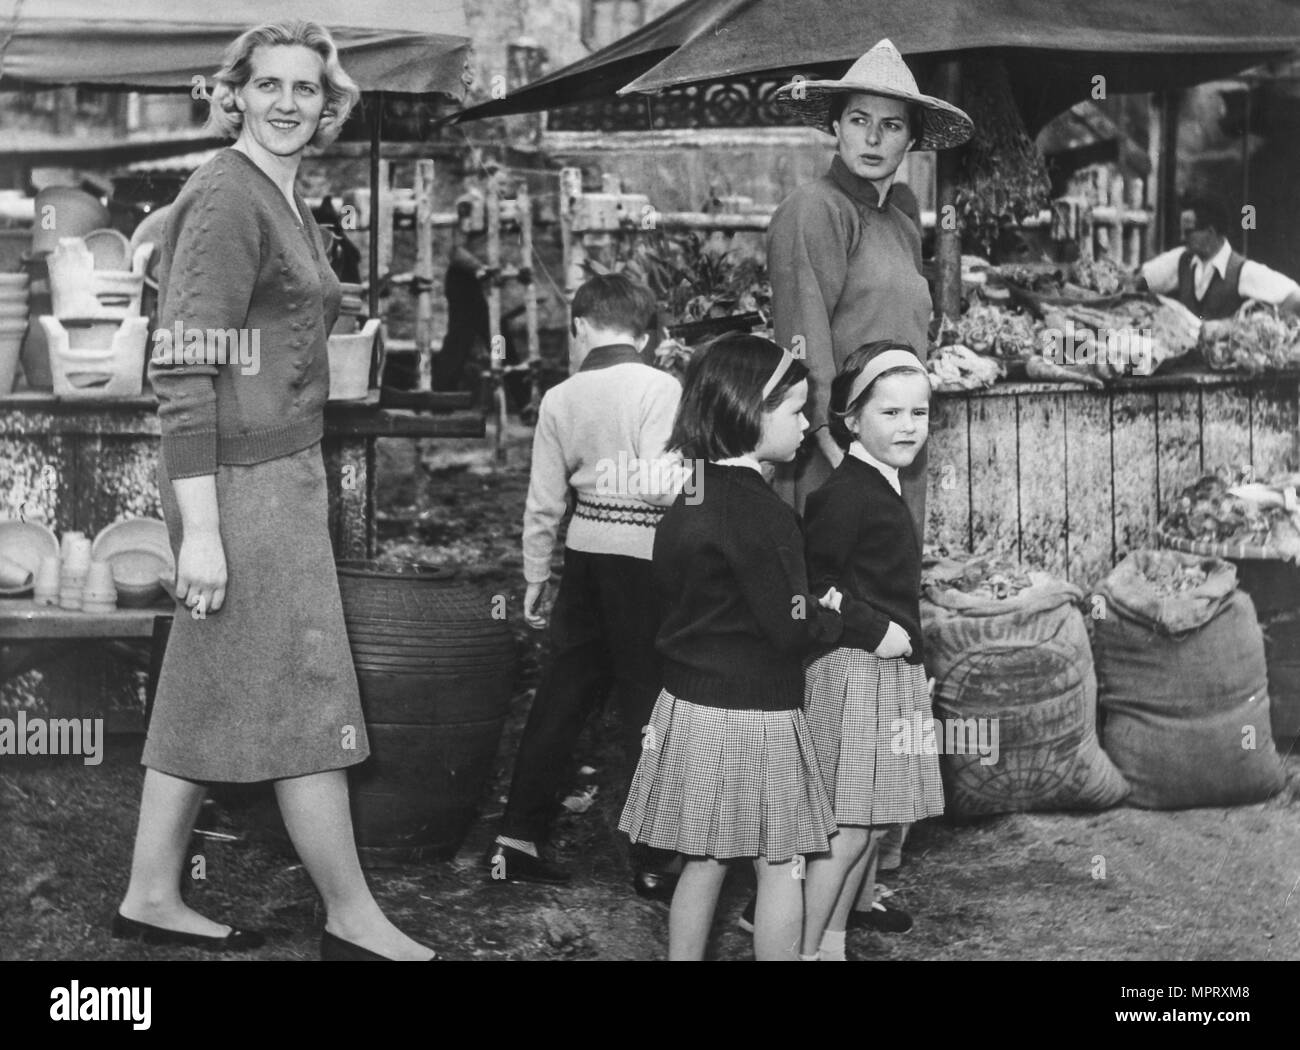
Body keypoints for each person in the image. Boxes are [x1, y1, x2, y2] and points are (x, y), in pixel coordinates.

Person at [116, 20, 435, 962]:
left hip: (278, 470)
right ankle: (351, 915)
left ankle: (148, 891)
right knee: (308, 686)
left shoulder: (279, 193)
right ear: (235, 94)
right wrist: (202, 533)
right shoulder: (226, 192)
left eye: (307, 88)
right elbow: (182, 368)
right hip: (237, 483)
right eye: (268, 86)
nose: (288, 102)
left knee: (208, 678)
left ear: (328, 103)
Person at [618, 333, 846, 961]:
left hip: (689, 707)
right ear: (749, 411)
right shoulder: (766, 515)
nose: (806, 425)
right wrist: (828, 617)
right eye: (796, 410)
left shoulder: (687, 498)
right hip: (756, 714)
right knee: (784, 863)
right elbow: (789, 627)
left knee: (706, 860)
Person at [489, 273, 684, 896]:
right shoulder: (661, 386)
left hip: (584, 559)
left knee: (563, 693)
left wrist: (534, 576)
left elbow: (543, 501)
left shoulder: (560, 397)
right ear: (648, 333)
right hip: (644, 563)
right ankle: (654, 859)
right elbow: (659, 484)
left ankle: (514, 841)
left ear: (579, 328)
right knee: (648, 702)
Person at [766, 38, 973, 530]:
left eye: (892, 125)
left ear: (912, 140)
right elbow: (802, 340)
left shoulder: (901, 223)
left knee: (892, 591)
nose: (874, 138)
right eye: (859, 120)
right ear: (836, 127)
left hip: (896, 447)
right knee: (839, 595)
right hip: (837, 451)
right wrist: (836, 451)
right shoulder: (814, 209)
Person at [799, 342, 945, 961]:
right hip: (857, 673)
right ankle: (802, 948)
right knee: (849, 825)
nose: (908, 426)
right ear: (852, 419)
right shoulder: (846, 493)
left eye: (919, 412)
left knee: (870, 822)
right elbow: (812, 586)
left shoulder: (881, 485)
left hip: (888, 671)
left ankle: (831, 940)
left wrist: (917, 659)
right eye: (890, 413)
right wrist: (871, 629)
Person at [1135, 197, 1300, 320]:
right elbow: (1141, 279)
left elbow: (1294, 297)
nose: (1182, 238)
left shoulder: (1242, 270)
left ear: (1210, 232)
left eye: (1188, 232)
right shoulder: (1182, 258)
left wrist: (1262, 326)